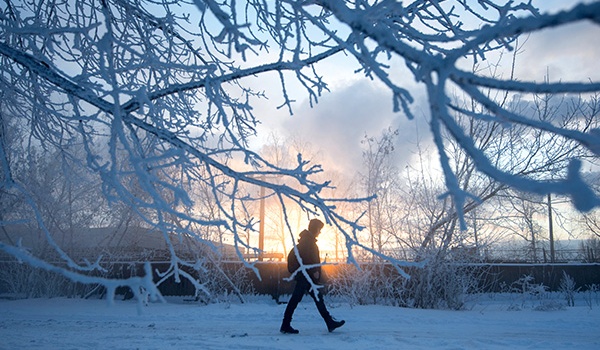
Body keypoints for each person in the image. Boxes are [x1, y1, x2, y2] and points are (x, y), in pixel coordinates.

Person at [280, 218, 345, 334]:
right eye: (319, 229)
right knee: (302, 299)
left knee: (311, 299)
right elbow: (309, 261)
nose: (320, 232)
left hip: (306, 277)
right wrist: (314, 273)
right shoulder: (308, 243)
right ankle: (286, 325)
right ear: (315, 229)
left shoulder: (306, 242)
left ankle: (328, 322)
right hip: (306, 277)